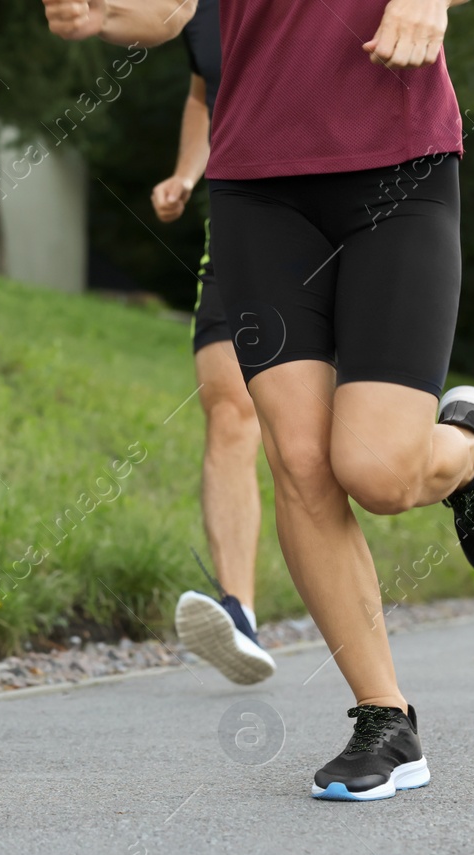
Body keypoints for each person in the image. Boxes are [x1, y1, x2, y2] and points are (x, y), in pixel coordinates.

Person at [47, 0, 474, 801]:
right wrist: (97, 13)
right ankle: (385, 716)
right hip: (257, 189)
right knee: (300, 460)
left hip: (395, 159)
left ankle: (468, 449)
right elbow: (171, 12)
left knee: (376, 471)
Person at [150, 0, 275, 685]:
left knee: (356, 453)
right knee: (230, 407)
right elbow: (206, 87)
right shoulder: (199, 8)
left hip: (348, 212)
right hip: (238, 214)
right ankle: (240, 611)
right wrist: (186, 172)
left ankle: (462, 456)